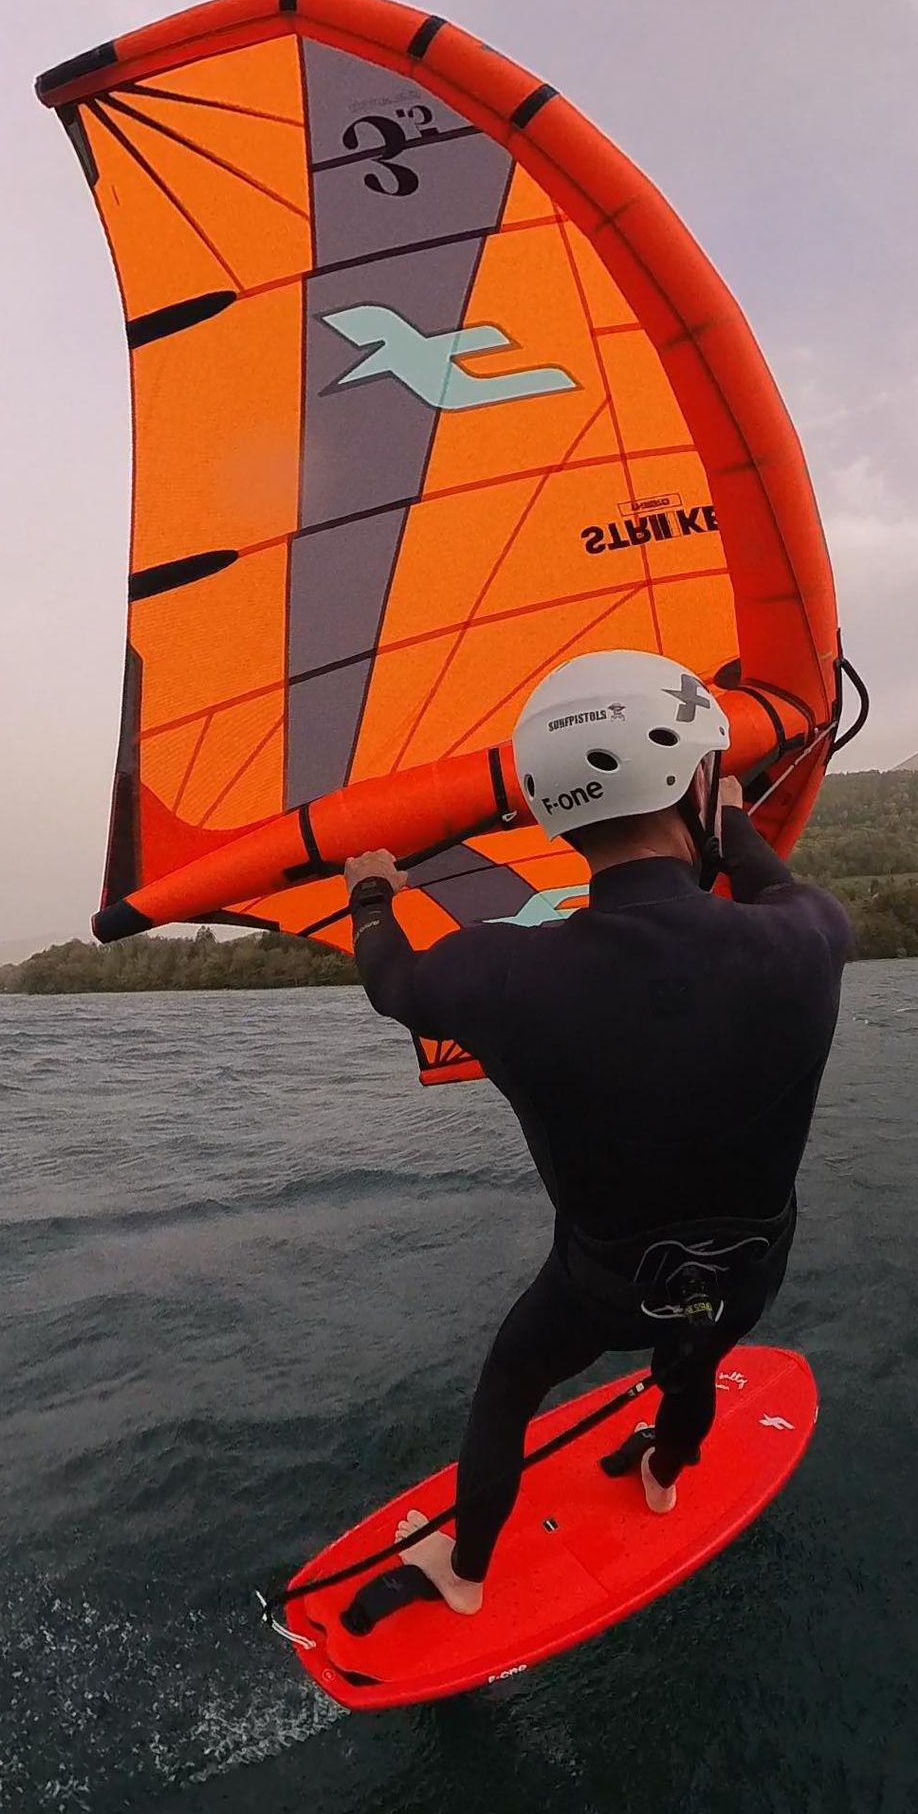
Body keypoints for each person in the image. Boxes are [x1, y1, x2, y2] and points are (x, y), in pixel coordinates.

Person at [339, 651, 853, 1629]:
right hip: (746, 1267)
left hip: (602, 1286)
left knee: (513, 1377)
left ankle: (466, 1568)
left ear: (551, 808)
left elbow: (389, 982)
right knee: (695, 1356)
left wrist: (372, 891)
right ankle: (663, 1466)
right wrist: (736, 818)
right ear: (694, 783)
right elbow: (770, 882)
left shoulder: (498, 972)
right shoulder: (805, 940)